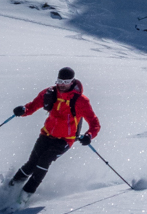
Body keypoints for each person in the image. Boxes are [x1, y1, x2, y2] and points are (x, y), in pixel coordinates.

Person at [7, 67, 101, 201]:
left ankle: (24, 196)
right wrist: (23, 110)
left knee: (44, 160)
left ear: (72, 81)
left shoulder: (81, 101)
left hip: (65, 140)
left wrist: (89, 135)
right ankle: (9, 189)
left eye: (66, 81)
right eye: (60, 80)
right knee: (31, 163)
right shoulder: (49, 93)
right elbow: (32, 106)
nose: (62, 84)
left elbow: (94, 122)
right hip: (46, 135)